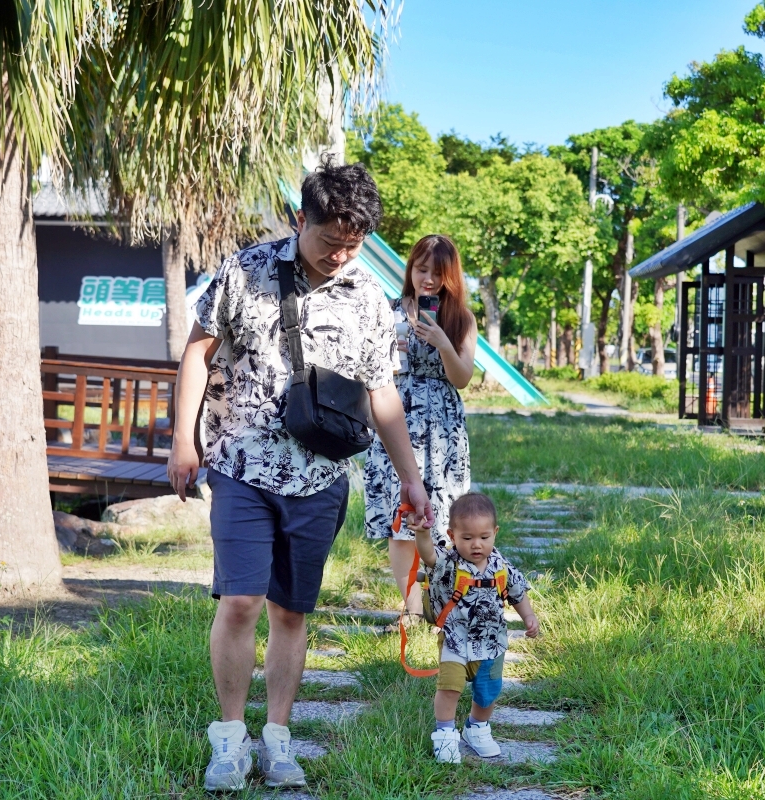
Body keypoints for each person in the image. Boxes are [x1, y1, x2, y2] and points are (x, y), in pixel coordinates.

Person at [167, 157, 435, 792]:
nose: (341, 255)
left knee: (291, 612)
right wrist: (183, 440)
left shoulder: (369, 298)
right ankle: (229, 739)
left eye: (353, 245)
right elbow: (198, 353)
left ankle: (279, 738)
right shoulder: (246, 270)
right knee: (239, 600)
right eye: (330, 240)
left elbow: (382, 394)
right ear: (300, 220)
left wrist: (411, 479)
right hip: (240, 464)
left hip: (320, 476)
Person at [363, 235, 477, 617]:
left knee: (442, 516)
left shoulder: (460, 318)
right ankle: (412, 606)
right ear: (410, 269)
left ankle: (444, 599)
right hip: (396, 419)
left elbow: (462, 378)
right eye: (420, 268)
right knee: (401, 518)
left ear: (450, 277)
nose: (426, 279)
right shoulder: (388, 311)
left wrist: (444, 342)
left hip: (441, 430)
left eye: (436, 272)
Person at [411, 492, 539, 763]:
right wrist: (422, 534)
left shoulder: (500, 565)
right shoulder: (450, 562)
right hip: (455, 640)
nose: (476, 544)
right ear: (453, 535)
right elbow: (429, 556)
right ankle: (445, 734)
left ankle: (477, 728)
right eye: (467, 538)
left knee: (487, 691)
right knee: (450, 687)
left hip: (492, 643)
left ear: (495, 532)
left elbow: (517, 591)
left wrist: (528, 616)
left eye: (484, 537)